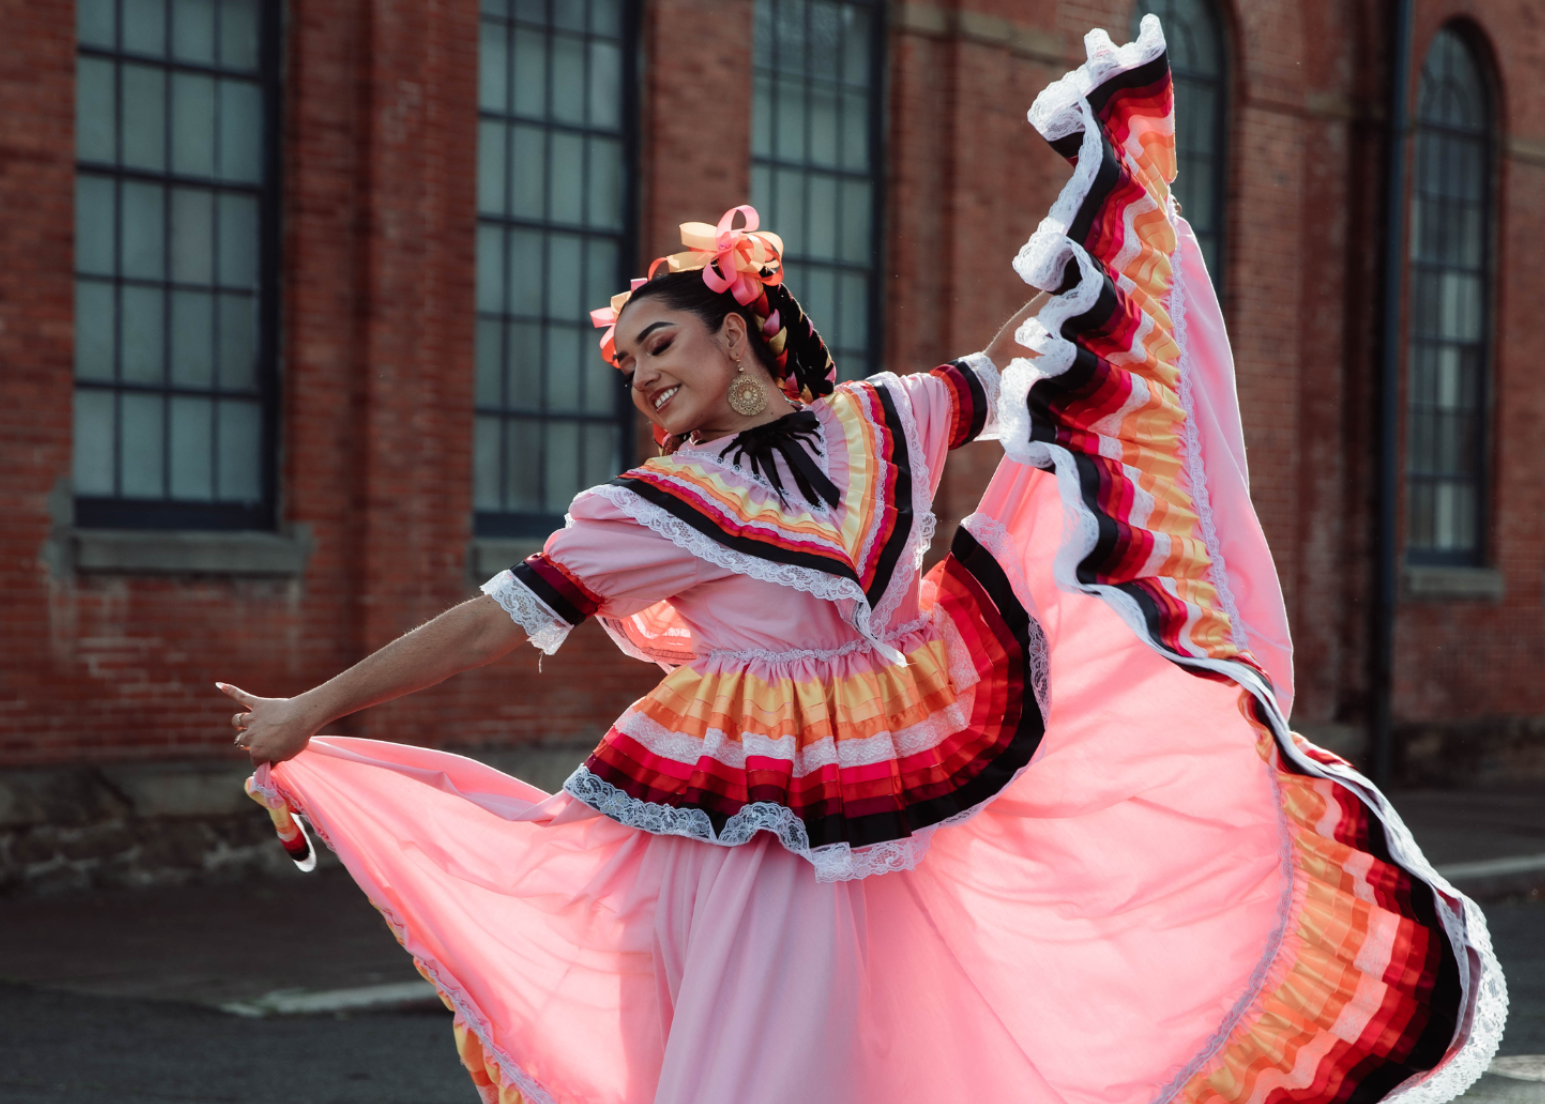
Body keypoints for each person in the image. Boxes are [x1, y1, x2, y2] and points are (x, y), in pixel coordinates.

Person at [221, 18, 1503, 1104]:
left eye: (665, 344)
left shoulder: (885, 420)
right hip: (740, 802)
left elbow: (1016, 355)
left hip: (898, 767)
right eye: (633, 366)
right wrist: (313, 707)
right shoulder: (643, 508)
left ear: (742, 331)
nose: (648, 375)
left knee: (912, 1025)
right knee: (755, 1044)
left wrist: (1103, 223)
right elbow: (487, 624)